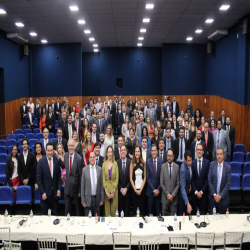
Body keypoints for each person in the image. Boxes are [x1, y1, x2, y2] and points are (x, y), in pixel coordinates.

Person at [36, 142, 62, 215]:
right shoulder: (41, 162)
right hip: (45, 196)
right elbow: (38, 179)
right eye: (48, 151)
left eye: (51, 151)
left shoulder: (56, 160)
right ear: (46, 151)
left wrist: (59, 189)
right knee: (44, 219)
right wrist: (42, 192)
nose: (50, 152)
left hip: (54, 196)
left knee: (55, 218)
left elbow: (59, 176)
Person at [59, 138, 83, 216]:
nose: (70, 147)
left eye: (72, 146)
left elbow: (81, 176)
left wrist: (80, 191)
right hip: (67, 190)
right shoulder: (65, 155)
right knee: (67, 212)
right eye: (69, 146)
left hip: (76, 191)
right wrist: (57, 157)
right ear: (67, 146)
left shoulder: (79, 158)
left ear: (74, 146)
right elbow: (63, 166)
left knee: (78, 212)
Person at [208, 147, 231, 214]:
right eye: (217, 154)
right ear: (216, 155)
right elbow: (209, 180)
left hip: (223, 199)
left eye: (221, 154)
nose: (219, 156)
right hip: (213, 198)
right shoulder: (212, 165)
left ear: (223, 155)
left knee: (222, 222)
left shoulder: (228, 167)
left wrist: (220, 196)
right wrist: (215, 195)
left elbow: (228, 184)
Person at [81, 151, 104, 216]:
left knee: (97, 221)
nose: (92, 158)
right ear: (88, 159)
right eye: (90, 157)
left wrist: (102, 199)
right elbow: (82, 186)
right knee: (88, 222)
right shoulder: (84, 170)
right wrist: (83, 201)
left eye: (93, 157)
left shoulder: (99, 169)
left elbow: (101, 186)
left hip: (97, 199)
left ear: (95, 158)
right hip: (87, 199)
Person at [191, 143, 210, 215]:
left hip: (204, 194)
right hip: (195, 194)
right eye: (198, 150)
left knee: (203, 215)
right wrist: (196, 191)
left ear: (203, 152)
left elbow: (207, 179)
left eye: (200, 150)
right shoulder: (192, 163)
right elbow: (192, 179)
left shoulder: (207, 162)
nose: (199, 151)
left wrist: (201, 192)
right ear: (195, 151)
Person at [160, 148, 180, 215]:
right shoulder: (163, 166)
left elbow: (178, 183)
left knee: (173, 220)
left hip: (174, 199)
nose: (169, 157)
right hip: (165, 198)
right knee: (164, 220)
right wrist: (168, 195)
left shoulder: (177, 167)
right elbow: (161, 183)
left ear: (173, 157)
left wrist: (172, 195)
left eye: (171, 156)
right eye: (168, 155)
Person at [146, 144, 163, 216]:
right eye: (152, 151)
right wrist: (153, 190)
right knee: (150, 213)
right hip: (150, 192)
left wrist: (158, 189)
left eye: (154, 150)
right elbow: (148, 177)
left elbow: (162, 178)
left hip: (159, 193)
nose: (153, 152)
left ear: (157, 151)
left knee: (158, 214)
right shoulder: (148, 161)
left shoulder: (161, 161)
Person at [130, 145, 146, 216]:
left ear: (140, 152)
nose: (137, 153)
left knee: (142, 210)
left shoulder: (143, 163)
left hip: (142, 190)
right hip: (134, 191)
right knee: (135, 211)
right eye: (136, 151)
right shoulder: (132, 163)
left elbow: (145, 177)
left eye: (138, 151)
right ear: (134, 153)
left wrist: (141, 190)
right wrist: (135, 190)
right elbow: (130, 178)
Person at [102, 146, 119, 216]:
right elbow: (103, 179)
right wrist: (106, 192)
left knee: (114, 211)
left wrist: (113, 191)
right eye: (108, 152)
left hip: (114, 190)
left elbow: (117, 179)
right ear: (106, 153)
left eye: (111, 152)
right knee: (107, 212)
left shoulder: (115, 164)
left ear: (113, 153)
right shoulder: (104, 164)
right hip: (106, 190)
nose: (110, 154)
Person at [117, 145, 131, 217]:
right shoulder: (117, 163)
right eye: (121, 150)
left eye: (124, 150)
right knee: (120, 214)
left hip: (128, 193)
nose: (123, 151)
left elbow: (132, 178)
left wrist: (126, 188)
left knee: (127, 214)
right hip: (120, 193)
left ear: (126, 152)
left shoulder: (130, 162)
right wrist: (121, 189)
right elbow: (116, 178)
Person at [177, 150, 193, 216]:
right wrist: (187, 203)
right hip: (182, 197)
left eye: (191, 160)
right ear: (184, 160)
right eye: (188, 161)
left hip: (188, 192)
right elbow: (182, 188)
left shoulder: (190, 165)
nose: (190, 162)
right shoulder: (183, 170)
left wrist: (190, 184)